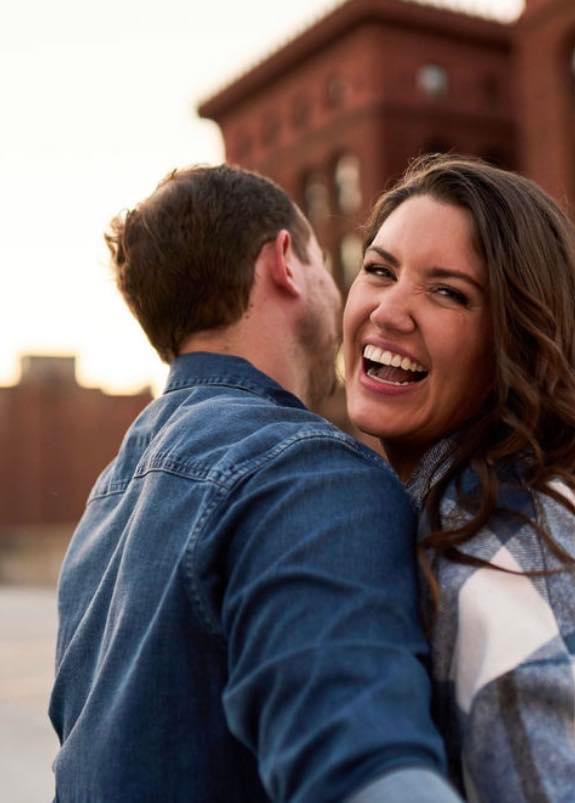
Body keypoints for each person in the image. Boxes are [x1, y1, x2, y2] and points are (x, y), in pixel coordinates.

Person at [48, 164, 464, 803]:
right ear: (286, 262)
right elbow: (362, 765)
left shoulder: (110, 498)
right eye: (329, 264)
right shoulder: (307, 471)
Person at [343, 155, 575, 803]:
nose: (389, 310)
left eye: (448, 291)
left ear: (515, 342)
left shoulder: (498, 537)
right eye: (378, 270)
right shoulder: (523, 502)